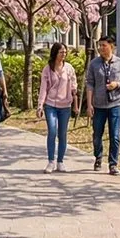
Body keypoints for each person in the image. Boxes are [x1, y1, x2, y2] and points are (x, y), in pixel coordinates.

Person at [84, 36, 120, 174]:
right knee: (97, 135)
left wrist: (117, 84)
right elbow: (90, 84)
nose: (101, 48)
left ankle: (113, 164)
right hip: (98, 105)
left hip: (114, 104)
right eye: (99, 46)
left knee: (115, 136)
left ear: (112, 46)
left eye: (104, 45)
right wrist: (89, 104)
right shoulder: (94, 64)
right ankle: (98, 157)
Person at [36, 42, 78, 173]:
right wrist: (40, 106)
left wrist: (75, 105)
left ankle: (60, 161)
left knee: (62, 134)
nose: (63, 54)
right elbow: (43, 89)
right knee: (52, 131)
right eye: (61, 52)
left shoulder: (69, 68)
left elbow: (74, 88)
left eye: (65, 52)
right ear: (55, 53)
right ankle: (51, 161)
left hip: (65, 105)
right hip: (51, 105)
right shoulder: (48, 69)